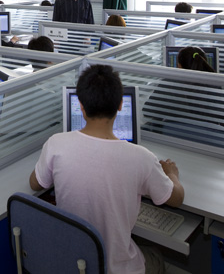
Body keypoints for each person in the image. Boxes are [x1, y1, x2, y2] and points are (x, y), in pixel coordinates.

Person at [29, 65, 184, 274]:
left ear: (80, 106)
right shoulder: (142, 158)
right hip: (118, 269)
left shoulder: (56, 144)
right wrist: (172, 174)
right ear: (120, 105)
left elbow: (35, 184)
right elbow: (176, 199)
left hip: (74, 264)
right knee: (156, 255)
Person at [143, 47, 224, 129]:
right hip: (205, 141)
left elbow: (147, 111)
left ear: (179, 65)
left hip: (172, 139)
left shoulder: (168, 83)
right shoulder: (213, 86)